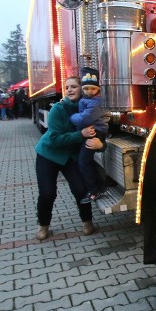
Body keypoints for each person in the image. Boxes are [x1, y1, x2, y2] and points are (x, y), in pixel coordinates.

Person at [34, 76, 102, 240]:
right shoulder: (58, 108)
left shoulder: (88, 107)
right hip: (48, 154)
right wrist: (80, 134)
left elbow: (99, 131)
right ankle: (43, 225)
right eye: (67, 87)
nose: (69, 90)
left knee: (80, 189)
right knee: (48, 193)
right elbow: (55, 139)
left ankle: (87, 222)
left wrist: (101, 143)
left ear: (82, 89)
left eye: (74, 87)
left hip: (70, 156)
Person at [71, 67, 110, 203]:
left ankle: (94, 191)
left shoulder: (96, 103)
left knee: (83, 162)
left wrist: (72, 117)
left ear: (98, 89)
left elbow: (83, 119)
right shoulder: (88, 99)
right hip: (92, 132)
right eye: (86, 89)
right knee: (87, 161)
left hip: (95, 133)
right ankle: (101, 186)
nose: (89, 91)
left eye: (92, 89)